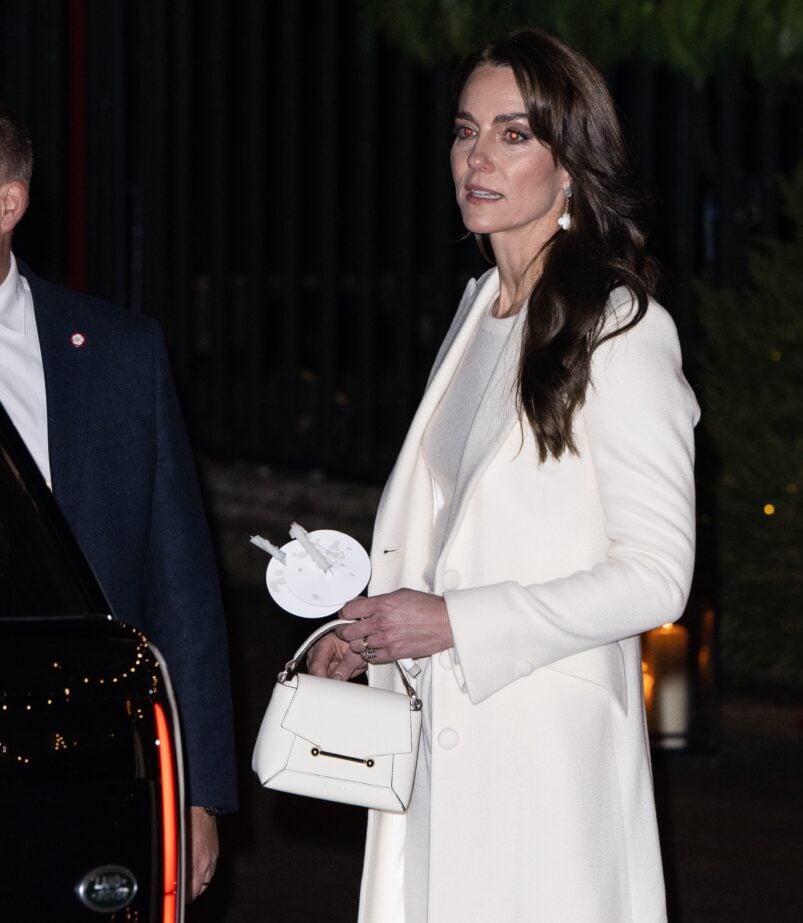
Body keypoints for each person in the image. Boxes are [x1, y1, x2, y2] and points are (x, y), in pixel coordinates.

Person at [309, 28, 698, 923]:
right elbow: (453, 531)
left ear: (572, 166)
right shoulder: (477, 308)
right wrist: (372, 625)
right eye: (465, 130)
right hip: (437, 749)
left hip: (543, 769)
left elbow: (657, 575)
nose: (476, 156)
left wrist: (454, 622)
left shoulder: (624, 328)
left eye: (513, 134)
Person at [0, 106, 237, 901]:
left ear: (9, 202)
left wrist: (195, 794)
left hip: (73, 760)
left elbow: (181, 589)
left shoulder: (119, 354)